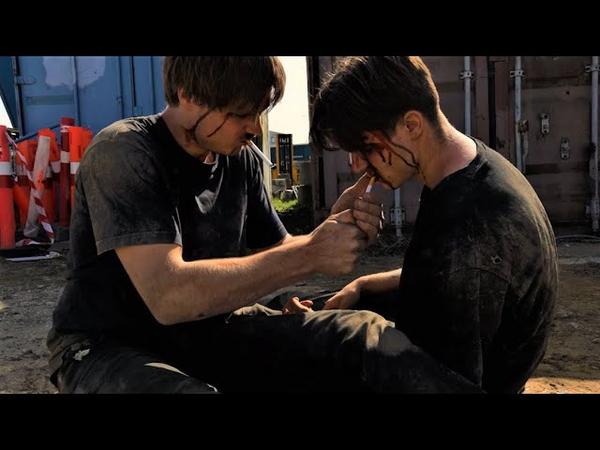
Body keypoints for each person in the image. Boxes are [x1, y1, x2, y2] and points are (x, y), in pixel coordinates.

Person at [48, 56, 481, 394]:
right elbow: (167, 295)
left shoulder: (241, 159)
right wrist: (310, 253)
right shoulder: (124, 154)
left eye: (259, 112)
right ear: (188, 95)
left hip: (209, 327)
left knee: (356, 336)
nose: (255, 129)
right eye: (242, 114)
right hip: (106, 346)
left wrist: (328, 229)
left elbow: (275, 252)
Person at [308, 56, 558, 393]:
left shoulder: (466, 224)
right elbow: (439, 275)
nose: (356, 166)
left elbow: (452, 380)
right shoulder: (472, 170)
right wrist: (364, 285)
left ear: (411, 125)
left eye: (365, 148)